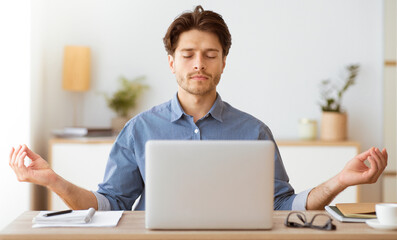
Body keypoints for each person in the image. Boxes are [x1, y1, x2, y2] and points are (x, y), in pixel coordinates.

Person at [9, 5, 387, 211]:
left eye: (210, 55)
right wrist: (52, 180)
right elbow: (109, 205)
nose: (198, 64)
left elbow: (283, 205)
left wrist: (341, 181)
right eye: (187, 54)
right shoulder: (139, 129)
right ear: (171, 61)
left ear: (224, 62)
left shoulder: (254, 131)